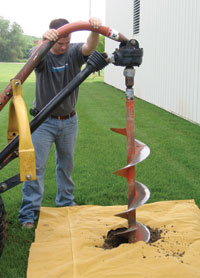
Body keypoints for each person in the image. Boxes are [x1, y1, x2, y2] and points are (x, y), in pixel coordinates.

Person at [19, 17, 102, 228]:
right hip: (43, 122)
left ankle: (65, 203)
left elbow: (90, 46)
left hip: (69, 120)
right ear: (51, 38)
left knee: (66, 165)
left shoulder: (73, 52)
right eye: (59, 43)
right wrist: (43, 41)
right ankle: (29, 213)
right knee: (35, 168)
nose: (64, 46)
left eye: (67, 42)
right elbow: (33, 57)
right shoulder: (43, 54)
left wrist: (94, 30)